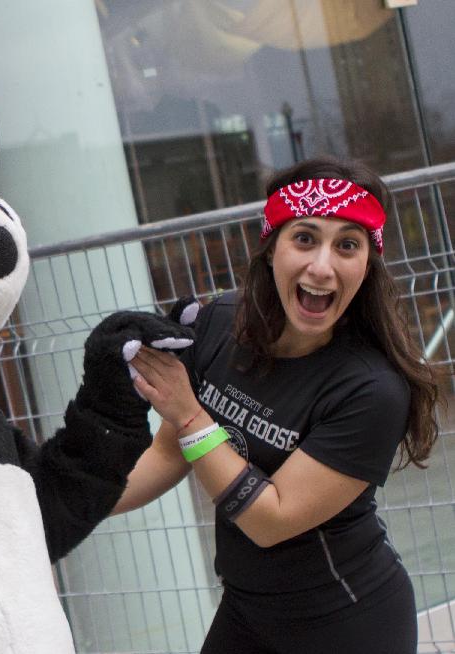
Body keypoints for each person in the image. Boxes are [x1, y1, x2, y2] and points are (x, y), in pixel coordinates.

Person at [116, 156, 441, 653]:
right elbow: (167, 452)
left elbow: (272, 519)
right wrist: (70, 505)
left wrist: (189, 415)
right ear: (271, 249)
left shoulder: (373, 389)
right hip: (248, 611)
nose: (321, 266)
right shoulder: (223, 322)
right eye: (305, 238)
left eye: (347, 245)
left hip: (348, 624)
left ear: (366, 264)